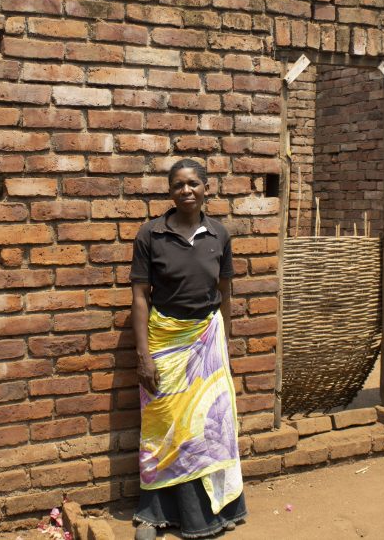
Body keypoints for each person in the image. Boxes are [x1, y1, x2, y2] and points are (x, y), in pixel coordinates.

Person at [129, 158, 247, 540]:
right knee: (164, 425)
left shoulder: (219, 235)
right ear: (170, 191)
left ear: (206, 188)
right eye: (178, 184)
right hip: (165, 343)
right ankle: (154, 514)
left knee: (208, 426)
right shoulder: (151, 235)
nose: (186, 190)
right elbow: (139, 297)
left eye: (193, 183)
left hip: (207, 342)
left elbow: (225, 292)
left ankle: (214, 512)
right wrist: (144, 356)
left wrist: (224, 342)